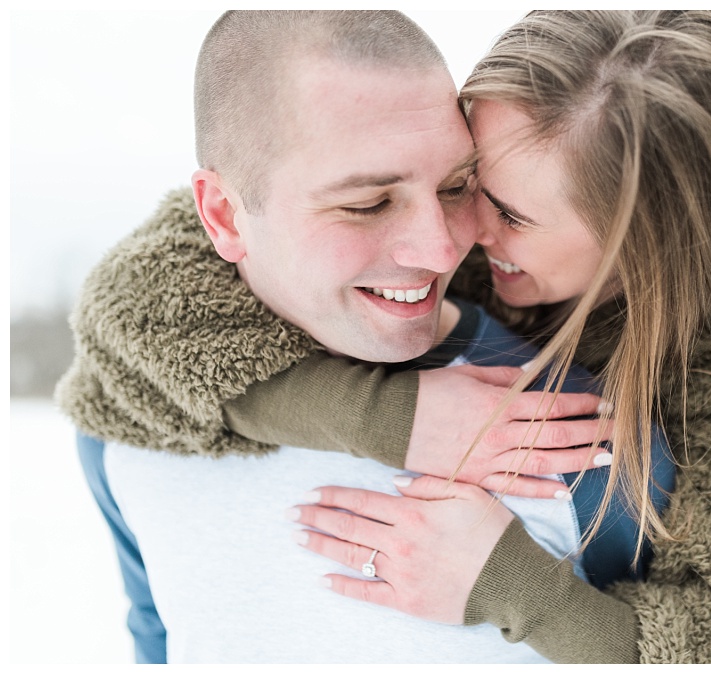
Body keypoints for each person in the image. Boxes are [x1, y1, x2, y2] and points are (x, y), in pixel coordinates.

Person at [61, 9, 711, 664]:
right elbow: (133, 312)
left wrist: (513, 583)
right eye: (465, 180)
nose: (453, 239)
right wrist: (388, 415)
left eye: (503, 211)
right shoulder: (434, 224)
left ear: (639, 247)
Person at [56, 10, 628, 664]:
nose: (442, 249)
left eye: (455, 185)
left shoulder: (582, 436)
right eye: (366, 204)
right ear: (222, 214)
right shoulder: (130, 427)